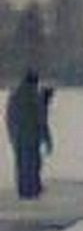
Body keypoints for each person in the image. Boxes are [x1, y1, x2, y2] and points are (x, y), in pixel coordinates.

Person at [6, 70, 52, 199]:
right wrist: (47, 139)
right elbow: (41, 119)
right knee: (33, 164)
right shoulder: (33, 97)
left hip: (20, 137)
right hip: (31, 137)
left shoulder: (15, 96)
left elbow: (10, 118)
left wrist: (13, 136)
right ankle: (32, 190)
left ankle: (24, 189)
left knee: (23, 165)